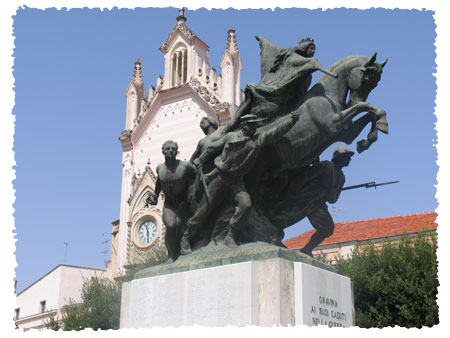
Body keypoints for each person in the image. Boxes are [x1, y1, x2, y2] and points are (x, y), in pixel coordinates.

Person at [180, 112, 299, 254]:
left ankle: (231, 235)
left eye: (255, 125)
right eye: (251, 125)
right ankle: (186, 237)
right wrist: (201, 158)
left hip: (236, 181)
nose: (254, 127)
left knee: (246, 204)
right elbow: (213, 148)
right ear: (244, 125)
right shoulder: (231, 136)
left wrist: (290, 121)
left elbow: (274, 133)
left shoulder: (257, 139)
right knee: (204, 210)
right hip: (220, 177)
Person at [269, 145, 354, 257]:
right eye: (346, 156)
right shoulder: (325, 166)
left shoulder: (341, 178)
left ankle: (306, 250)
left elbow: (333, 199)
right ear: (338, 157)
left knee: (327, 228)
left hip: (318, 204)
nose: (349, 159)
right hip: (306, 197)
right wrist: (293, 190)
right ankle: (272, 237)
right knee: (284, 217)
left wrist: (328, 192)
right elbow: (306, 176)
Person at [145, 140, 195, 262]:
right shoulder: (159, 168)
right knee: (171, 225)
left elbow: (196, 177)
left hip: (184, 200)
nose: (171, 151)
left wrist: (192, 196)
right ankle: (171, 254)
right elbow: (158, 184)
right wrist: (155, 196)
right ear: (163, 152)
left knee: (182, 223)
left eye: (173, 149)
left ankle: (184, 246)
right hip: (170, 203)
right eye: (168, 149)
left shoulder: (185, 166)